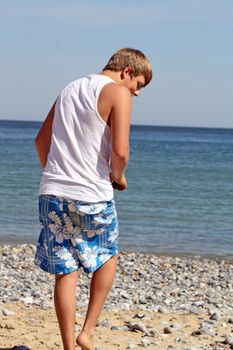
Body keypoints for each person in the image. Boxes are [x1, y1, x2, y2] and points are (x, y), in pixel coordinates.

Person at [34, 48, 152, 350]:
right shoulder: (116, 92)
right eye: (137, 85)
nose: (136, 94)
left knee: (65, 270)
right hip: (91, 194)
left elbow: (41, 141)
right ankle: (86, 331)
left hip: (52, 192)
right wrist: (117, 176)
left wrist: (58, 173)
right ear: (126, 71)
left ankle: (68, 348)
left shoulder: (69, 88)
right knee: (108, 254)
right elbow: (121, 152)